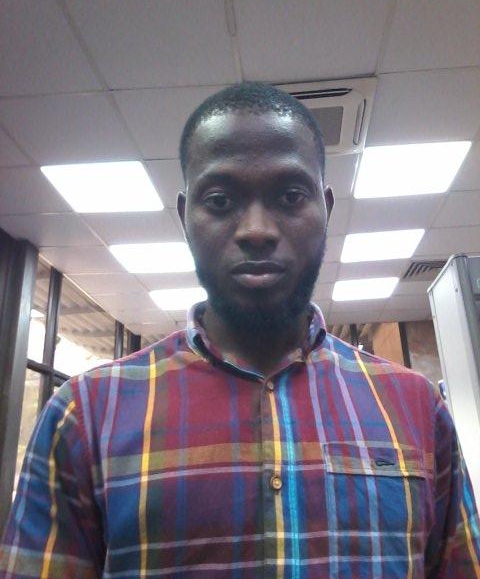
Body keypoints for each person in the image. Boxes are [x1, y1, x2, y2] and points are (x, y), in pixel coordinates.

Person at [1, 82, 479, 578]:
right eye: (220, 199)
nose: (256, 230)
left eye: (290, 196)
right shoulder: (84, 416)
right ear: (185, 216)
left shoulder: (417, 408)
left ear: (326, 209)